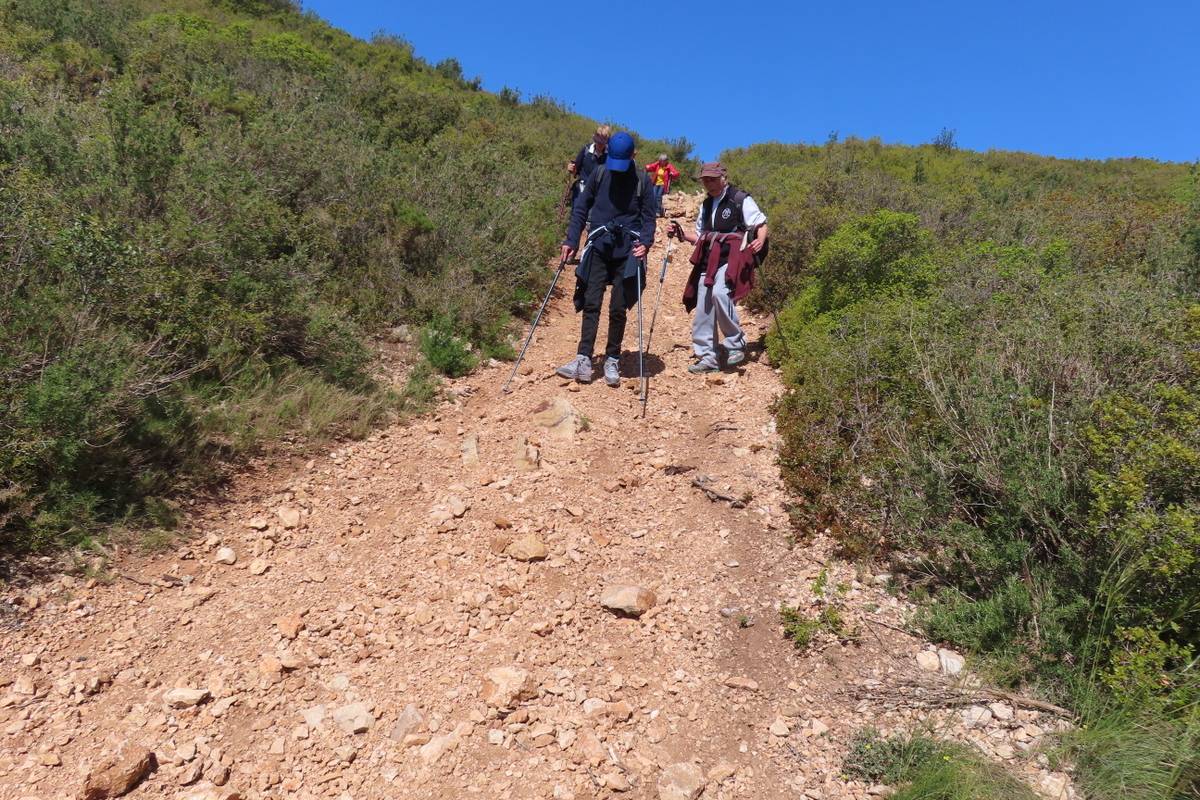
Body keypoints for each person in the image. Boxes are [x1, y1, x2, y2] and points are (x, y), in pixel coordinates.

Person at [556, 131, 656, 386]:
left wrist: (645, 243)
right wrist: (571, 240)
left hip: (628, 250)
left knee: (618, 307)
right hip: (600, 245)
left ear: (634, 156)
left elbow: (649, 218)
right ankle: (583, 358)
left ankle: (612, 358)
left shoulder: (642, 181)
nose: (618, 169)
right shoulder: (600, 174)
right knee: (591, 301)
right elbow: (580, 208)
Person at [670, 161, 768, 374]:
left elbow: (760, 223)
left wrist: (760, 240)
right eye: (706, 179)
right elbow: (700, 236)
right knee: (704, 307)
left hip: (731, 258)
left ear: (724, 178)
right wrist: (681, 234)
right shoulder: (706, 205)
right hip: (709, 259)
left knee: (720, 294)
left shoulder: (739, 199)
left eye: (713, 179)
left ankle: (736, 342)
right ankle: (708, 357)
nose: (709, 183)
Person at [567, 125, 611, 209]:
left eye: (603, 140)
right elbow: (576, 170)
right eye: (598, 140)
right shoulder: (586, 150)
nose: (600, 144)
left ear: (607, 141)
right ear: (594, 138)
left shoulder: (610, 156)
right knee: (577, 216)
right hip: (581, 191)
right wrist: (571, 168)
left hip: (599, 196)